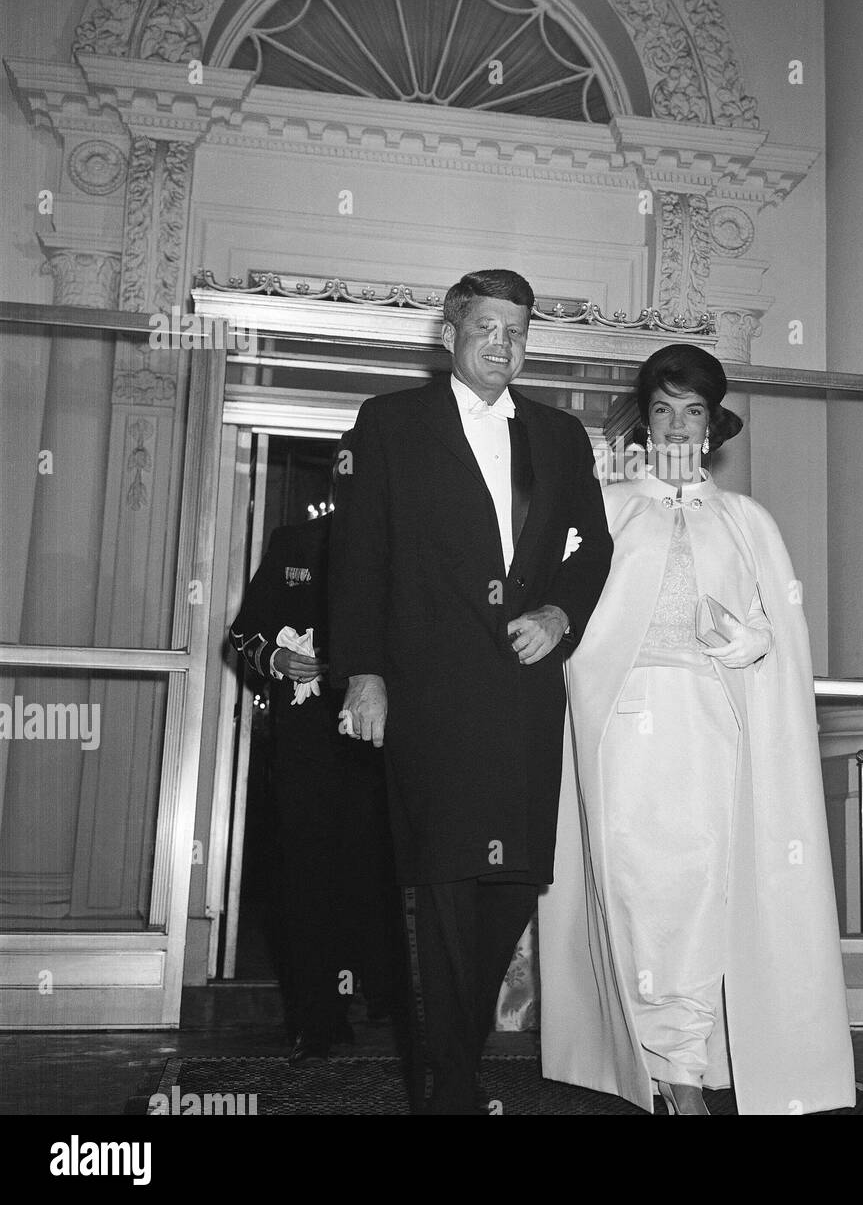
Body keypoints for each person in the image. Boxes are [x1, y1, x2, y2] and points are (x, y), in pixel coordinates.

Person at [539, 343, 855, 1115]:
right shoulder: (606, 509)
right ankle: (653, 1060)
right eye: (662, 410)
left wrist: (743, 639)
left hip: (711, 728)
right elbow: (569, 623)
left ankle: (682, 1069)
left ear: (711, 428)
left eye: (693, 412)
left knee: (700, 894)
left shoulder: (747, 522)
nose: (677, 426)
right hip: (621, 728)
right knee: (635, 893)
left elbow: (776, 633)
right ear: (643, 425)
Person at [328, 268, 613, 1115]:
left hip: (526, 698)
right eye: (487, 327)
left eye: (518, 330)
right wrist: (365, 673)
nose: (503, 344)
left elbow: (590, 546)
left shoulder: (561, 436)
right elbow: (358, 557)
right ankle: (447, 1083)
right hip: (431, 694)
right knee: (444, 882)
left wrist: (561, 612)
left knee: (512, 886)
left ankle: (455, 1056)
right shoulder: (388, 425)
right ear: (449, 334)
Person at [228, 437, 398, 1062]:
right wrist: (274, 657)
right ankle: (316, 1015)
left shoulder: (404, 552)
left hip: (376, 746)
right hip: (305, 745)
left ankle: (381, 999)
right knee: (304, 877)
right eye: (346, 477)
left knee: (373, 875)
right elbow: (243, 634)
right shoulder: (293, 545)